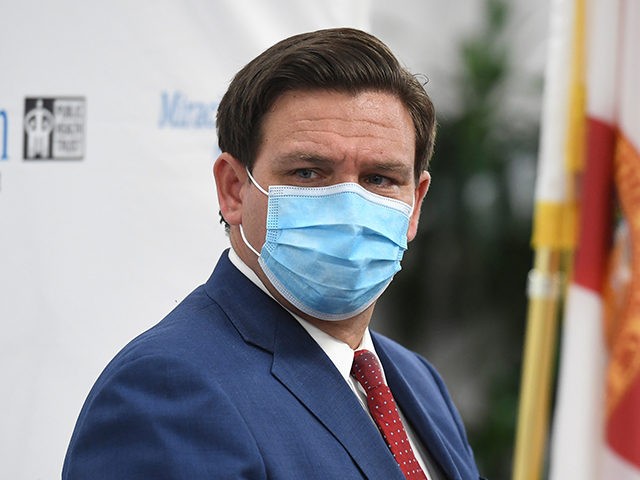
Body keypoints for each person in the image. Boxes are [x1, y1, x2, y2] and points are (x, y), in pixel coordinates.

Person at [63, 28, 483, 480]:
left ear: (415, 203)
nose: (348, 204)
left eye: (380, 178)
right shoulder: (167, 391)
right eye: (308, 172)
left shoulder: (416, 380)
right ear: (233, 190)